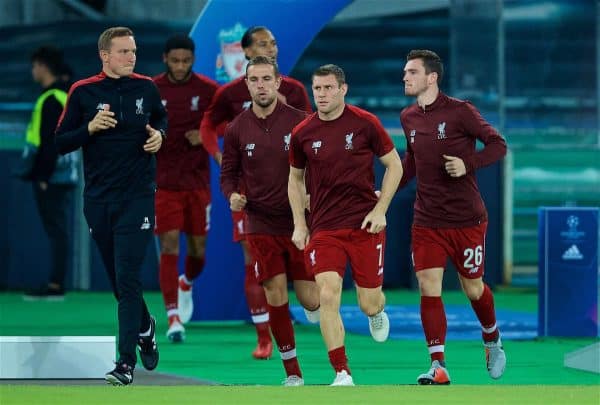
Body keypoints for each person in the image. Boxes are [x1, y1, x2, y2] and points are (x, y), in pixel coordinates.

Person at [55, 26, 166, 386]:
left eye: (133, 51)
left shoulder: (146, 87)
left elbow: (161, 119)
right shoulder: (83, 91)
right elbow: (60, 142)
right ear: (105, 55)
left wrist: (158, 135)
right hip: (99, 200)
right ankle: (146, 326)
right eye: (123, 52)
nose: (131, 57)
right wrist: (89, 128)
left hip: (138, 196)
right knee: (120, 283)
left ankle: (124, 363)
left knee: (129, 278)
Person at [200, 25, 312, 360]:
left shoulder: (294, 91)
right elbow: (208, 125)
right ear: (246, 52)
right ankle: (265, 338)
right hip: (252, 196)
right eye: (263, 43)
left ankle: (308, 306)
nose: (271, 47)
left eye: (274, 43)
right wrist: (219, 158)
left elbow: (312, 133)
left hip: (294, 193)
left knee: (308, 288)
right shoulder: (231, 94)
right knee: (256, 262)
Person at [288, 64, 403, 386]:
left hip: (366, 226)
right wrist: (300, 223)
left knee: (368, 302)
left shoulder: (366, 123)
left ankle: (377, 311)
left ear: (343, 89)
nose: (321, 95)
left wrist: (381, 210)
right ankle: (341, 371)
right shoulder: (303, 133)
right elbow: (294, 180)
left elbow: (394, 166)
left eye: (328, 88)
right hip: (324, 228)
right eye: (317, 89)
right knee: (328, 294)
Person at [399, 49, 507, 385]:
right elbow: (412, 162)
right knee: (428, 286)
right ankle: (438, 365)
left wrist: (467, 164)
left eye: (412, 72)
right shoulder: (408, 117)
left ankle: (491, 338)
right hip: (427, 220)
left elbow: (498, 144)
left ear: (431, 77)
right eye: (405, 71)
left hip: (467, 219)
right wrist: (384, 192)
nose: (405, 77)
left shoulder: (461, 112)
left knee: (472, 288)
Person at [221, 56, 320, 386]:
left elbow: (320, 167)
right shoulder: (237, 128)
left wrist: (312, 196)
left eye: (267, 79)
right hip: (260, 223)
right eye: (254, 80)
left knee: (311, 300)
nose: (261, 85)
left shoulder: (302, 121)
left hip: (299, 223)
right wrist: (233, 195)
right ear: (246, 84)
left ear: (278, 83)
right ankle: (292, 373)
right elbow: (228, 175)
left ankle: (316, 312)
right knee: (275, 294)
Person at [153, 34, 219, 343]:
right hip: (164, 183)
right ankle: (173, 317)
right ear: (165, 58)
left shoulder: (208, 90)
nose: (181, 66)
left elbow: (231, 122)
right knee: (168, 245)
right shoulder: (151, 89)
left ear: (193, 59)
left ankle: (186, 282)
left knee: (198, 253)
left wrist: (206, 134)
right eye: (175, 60)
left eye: (186, 61)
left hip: (197, 183)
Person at [18, 46, 78, 300]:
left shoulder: (52, 99)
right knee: (58, 229)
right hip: (64, 174)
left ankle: (56, 284)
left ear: (43, 66)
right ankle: (56, 281)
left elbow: (51, 141)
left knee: (57, 229)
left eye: (34, 66)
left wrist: (42, 176)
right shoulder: (63, 96)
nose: (33, 71)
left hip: (53, 176)